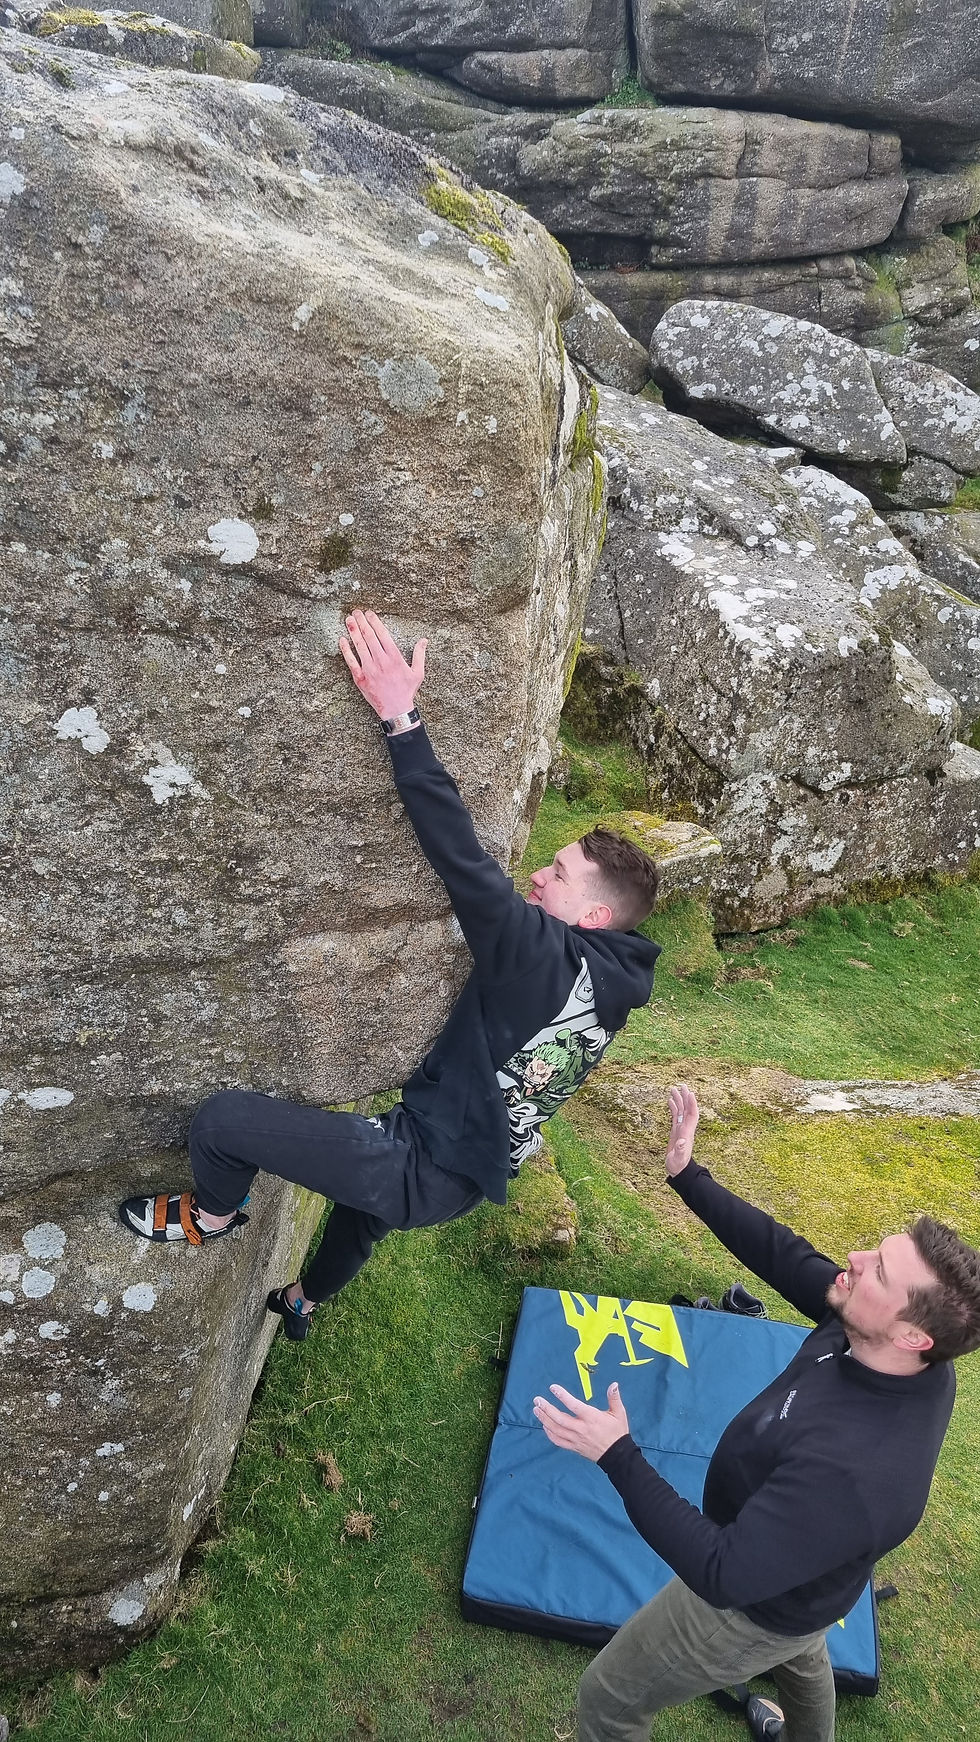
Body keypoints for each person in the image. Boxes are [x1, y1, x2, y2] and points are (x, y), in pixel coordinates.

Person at [119, 610, 662, 1338]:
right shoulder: (616, 977)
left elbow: (460, 858)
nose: (537, 875)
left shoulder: (538, 950)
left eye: (557, 874)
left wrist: (400, 716)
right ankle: (302, 1304)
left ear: (593, 916)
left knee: (222, 1124)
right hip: (466, 1174)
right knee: (362, 1220)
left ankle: (212, 1216)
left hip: (421, 1161)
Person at [534, 1083, 980, 1742]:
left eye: (879, 1272)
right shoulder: (885, 1339)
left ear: (915, 1337)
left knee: (608, 1697)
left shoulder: (857, 1475)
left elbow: (721, 1572)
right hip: (808, 1580)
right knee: (803, 1646)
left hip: (749, 1609)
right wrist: (688, 1176)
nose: (855, 1262)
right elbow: (786, 1255)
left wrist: (616, 1453)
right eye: (876, 1252)